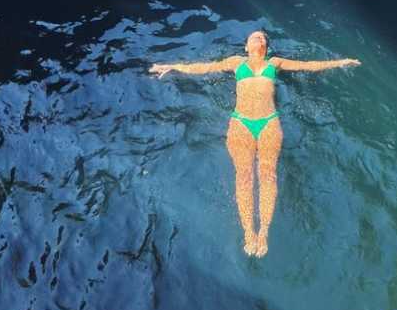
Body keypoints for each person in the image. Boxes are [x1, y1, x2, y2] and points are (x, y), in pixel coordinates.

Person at [149, 30, 360, 256]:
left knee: (268, 174)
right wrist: (172, 67)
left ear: (266, 48)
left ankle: (264, 232)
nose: (257, 38)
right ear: (246, 47)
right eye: (253, 37)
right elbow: (204, 68)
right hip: (241, 123)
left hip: (269, 123)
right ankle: (249, 231)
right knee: (244, 176)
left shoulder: (275, 62)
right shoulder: (236, 62)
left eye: (261, 37)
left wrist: (341, 62)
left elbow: (307, 65)